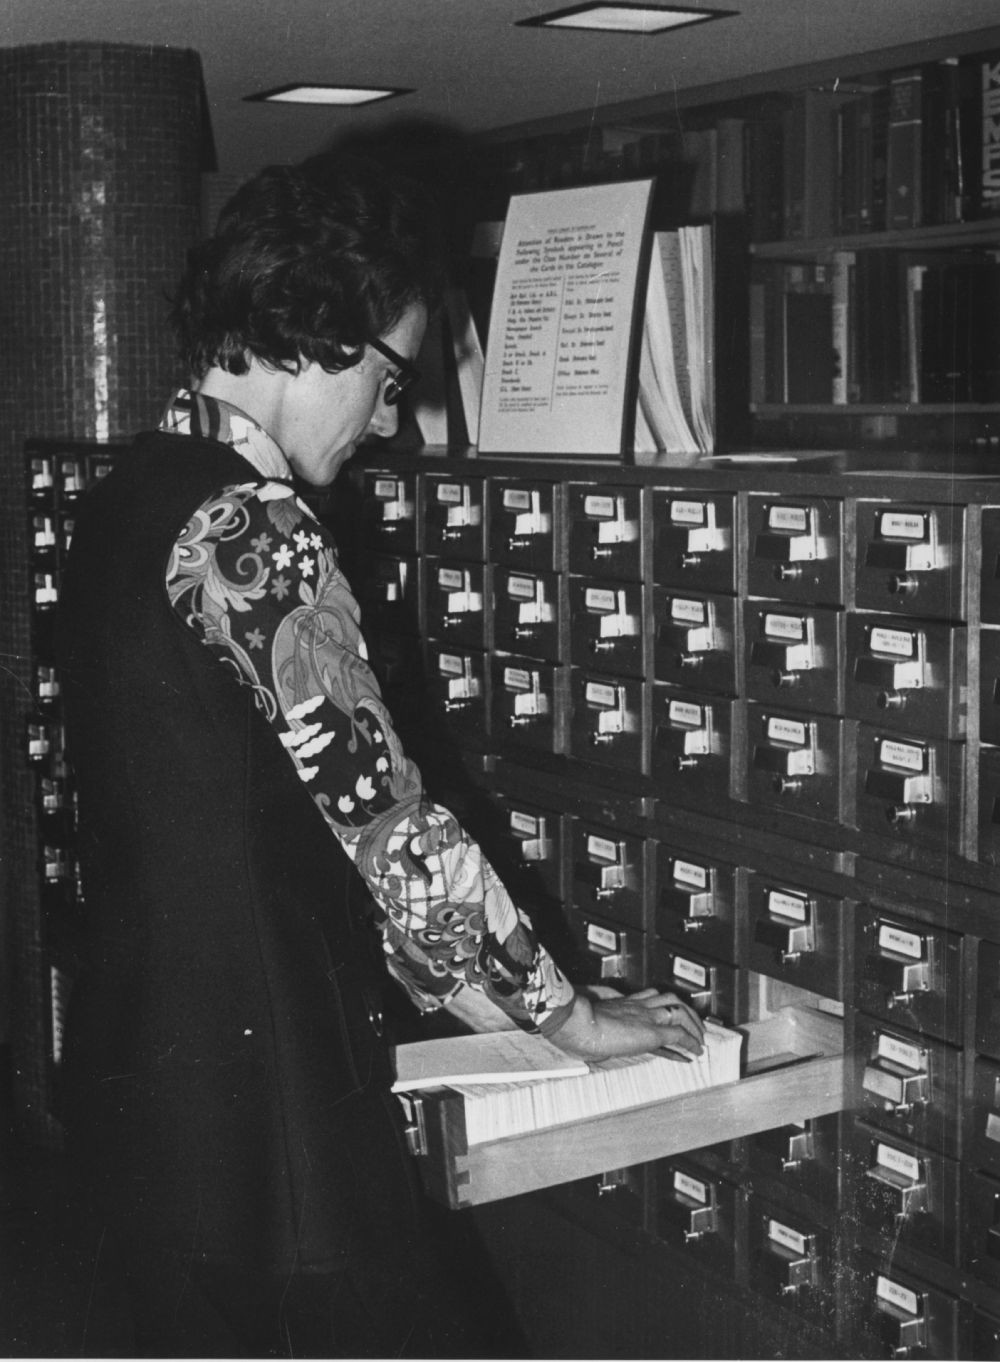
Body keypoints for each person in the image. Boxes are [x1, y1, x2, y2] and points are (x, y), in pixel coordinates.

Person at [56, 151, 705, 1358]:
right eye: (393, 376)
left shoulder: (126, 492)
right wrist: (574, 1022)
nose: (392, 419)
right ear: (323, 336)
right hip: (274, 1139)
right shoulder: (252, 526)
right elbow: (393, 831)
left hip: (143, 1100)